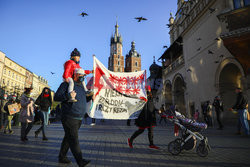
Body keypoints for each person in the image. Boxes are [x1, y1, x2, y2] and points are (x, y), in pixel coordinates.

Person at [54, 68, 91, 167]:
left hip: (79, 117)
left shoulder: (82, 87)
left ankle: (62, 157)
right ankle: (80, 161)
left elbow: (85, 100)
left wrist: (91, 96)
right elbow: (56, 97)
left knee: (68, 137)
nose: (82, 77)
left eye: (84, 76)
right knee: (74, 139)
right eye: (80, 75)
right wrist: (68, 95)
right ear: (75, 75)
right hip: (69, 116)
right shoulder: (66, 84)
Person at [127, 85, 159, 149]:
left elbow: (152, 106)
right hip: (143, 117)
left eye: (149, 91)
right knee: (141, 130)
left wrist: (157, 110)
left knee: (151, 130)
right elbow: (136, 107)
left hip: (150, 117)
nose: (149, 92)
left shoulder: (151, 98)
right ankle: (130, 140)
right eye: (147, 91)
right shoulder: (141, 98)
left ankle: (151, 144)